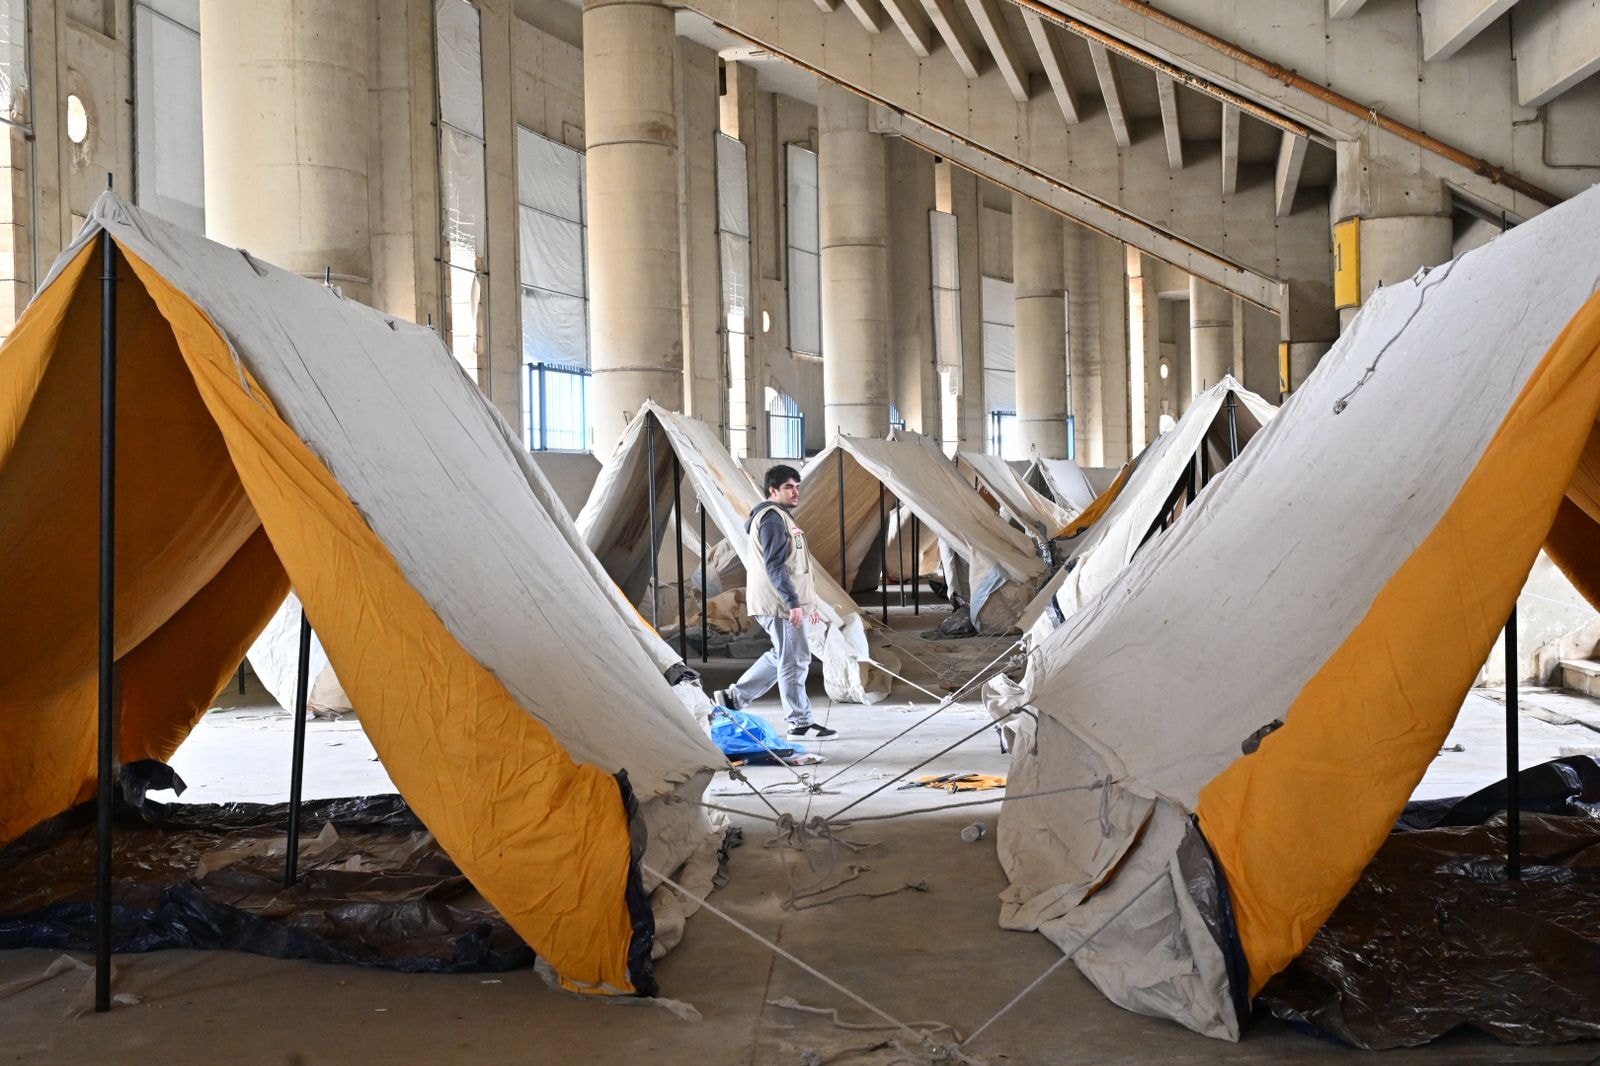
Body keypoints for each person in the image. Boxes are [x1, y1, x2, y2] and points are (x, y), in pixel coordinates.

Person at [712, 464, 837, 739]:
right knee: (794, 660)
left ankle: (734, 697)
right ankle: (799, 723)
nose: (796, 492)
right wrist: (793, 603)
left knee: (783, 654)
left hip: (782, 602)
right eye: (789, 487)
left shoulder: (781, 517)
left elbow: (797, 567)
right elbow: (775, 567)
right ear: (773, 490)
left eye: (797, 486)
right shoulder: (772, 519)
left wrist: (808, 604)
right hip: (779, 604)